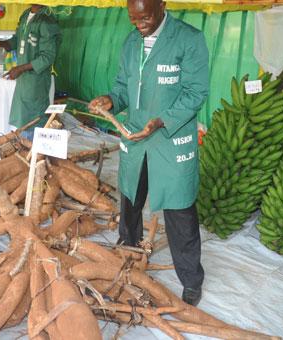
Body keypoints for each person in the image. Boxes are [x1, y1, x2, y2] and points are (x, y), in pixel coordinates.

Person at [89, 0, 209, 306]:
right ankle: (127, 250)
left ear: (162, 5)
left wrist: (161, 121)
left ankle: (191, 278)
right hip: (136, 135)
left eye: (145, 17)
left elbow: (196, 92)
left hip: (170, 136)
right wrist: (110, 101)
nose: (139, 24)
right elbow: (121, 87)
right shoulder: (131, 41)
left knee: (179, 208)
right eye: (133, 18)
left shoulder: (189, 38)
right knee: (130, 198)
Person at [0, 5, 61, 139]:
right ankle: (25, 148)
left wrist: (20, 68)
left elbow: (47, 57)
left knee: (34, 117)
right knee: (23, 115)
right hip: (24, 78)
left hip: (36, 79)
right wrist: (1, 44)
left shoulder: (47, 20)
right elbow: (17, 40)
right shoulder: (25, 14)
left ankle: (34, 152)